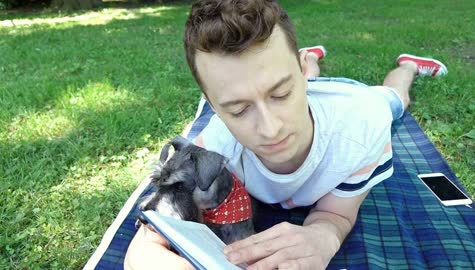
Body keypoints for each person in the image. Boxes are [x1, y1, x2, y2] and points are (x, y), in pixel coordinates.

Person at [125, 0, 448, 269]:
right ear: (212, 106)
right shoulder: (213, 149)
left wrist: (326, 234)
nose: (270, 128)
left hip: (354, 98)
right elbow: (147, 242)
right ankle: (304, 66)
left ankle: (406, 66)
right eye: (238, 110)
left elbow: (335, 213)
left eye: (280, 93)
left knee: (395, 99)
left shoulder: (362, 127)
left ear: (300, 74)